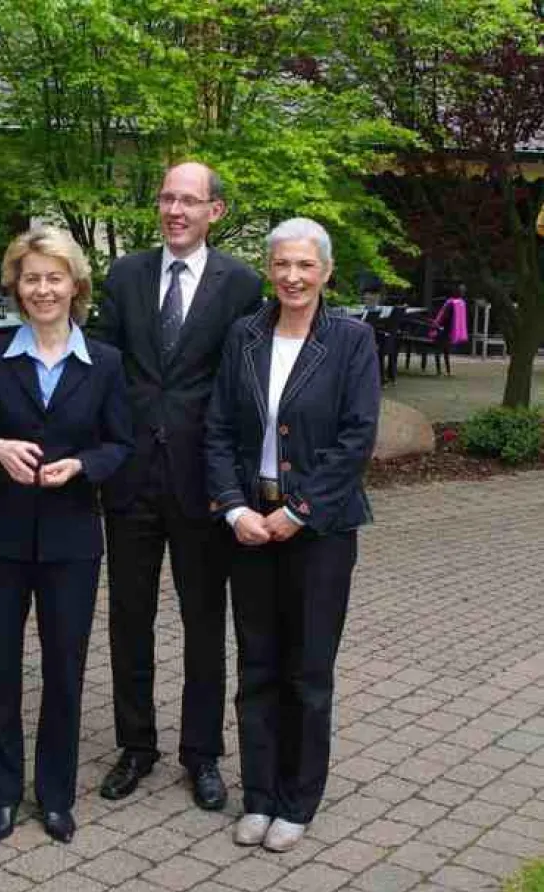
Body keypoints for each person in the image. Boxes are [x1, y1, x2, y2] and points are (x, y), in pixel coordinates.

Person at [0, 227, 134, 845]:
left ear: (75, 285)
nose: (43, 289)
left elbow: (121, 444)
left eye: (54, 277)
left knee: (64, 669)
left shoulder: (104, 362)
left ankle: (55, 796)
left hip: (72, 540)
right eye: (31, 278)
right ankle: (2, 793)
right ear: (16, 286)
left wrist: (83, 464)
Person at [206, 218, 380, 852]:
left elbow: (356, 439)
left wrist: (299, 510)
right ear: (269, 268)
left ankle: (298, 800)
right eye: (282, 264)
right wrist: (233, 508)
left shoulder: (352, 341)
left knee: (307, 671)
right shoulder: (244, 336)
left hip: (320, 531)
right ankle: (258, 795)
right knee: (256, 665)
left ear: (326, 272)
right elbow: (219, 430)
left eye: (305, 265)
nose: (293, 276)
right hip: (250, 525)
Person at [95, 161, 262, 809]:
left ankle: (202, 753)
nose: (175, 210)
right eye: (167, 198)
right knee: (129, 618)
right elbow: (104, 367)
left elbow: (243, 387)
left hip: (203, 482)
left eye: (189, 201)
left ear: (214, 212)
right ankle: (136, 746)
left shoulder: (241, 284)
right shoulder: (126, 275)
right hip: (131, 478)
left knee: (204, 622)